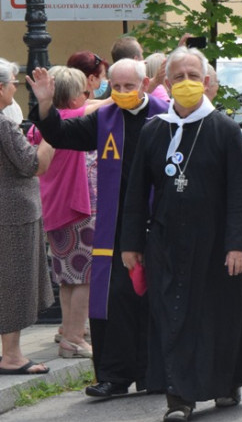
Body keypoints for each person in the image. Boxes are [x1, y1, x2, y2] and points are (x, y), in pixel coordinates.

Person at [120, 47, 242, 422]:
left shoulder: (222, 129)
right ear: (167, 84)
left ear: (205, 82)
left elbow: (241, 192)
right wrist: (132, 244)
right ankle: (179, 397)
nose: (185, 82)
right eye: (178, 76)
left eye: (192, 75)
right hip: (167, 242)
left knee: (216, 318)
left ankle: (225, 381)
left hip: (216, 242)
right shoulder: (155, 130)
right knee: (171, 317)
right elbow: (136, 192)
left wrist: (239, 244)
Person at [28, 59, 169, 399]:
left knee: (158, 299)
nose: (120, 93)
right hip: (117, 223)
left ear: (145, 83)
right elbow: (63, 135)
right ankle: (114, 376)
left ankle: (159, 373)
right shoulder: (106, 117)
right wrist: (45, 103)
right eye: (115, 87)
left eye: (128, 87)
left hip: (159, 221)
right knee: (114, 298)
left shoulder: (166, 116)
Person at [26, 67, 95, 358]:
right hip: (75, 208)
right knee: (85, 277)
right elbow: (106, 106)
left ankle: (68, 333)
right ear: (74, 95)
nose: (89, 96)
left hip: (53, 208)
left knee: (68, 276)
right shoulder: (71, 118)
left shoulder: (37, 127)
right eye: (85, 91)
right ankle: (76, 338)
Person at [0, 59, 53, 375]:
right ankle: (13, 356)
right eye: (11, 83)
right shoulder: (4, 124)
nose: (15, 88)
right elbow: (33, 164)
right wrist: (53, 136)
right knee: (14, 284)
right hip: (12, 213)